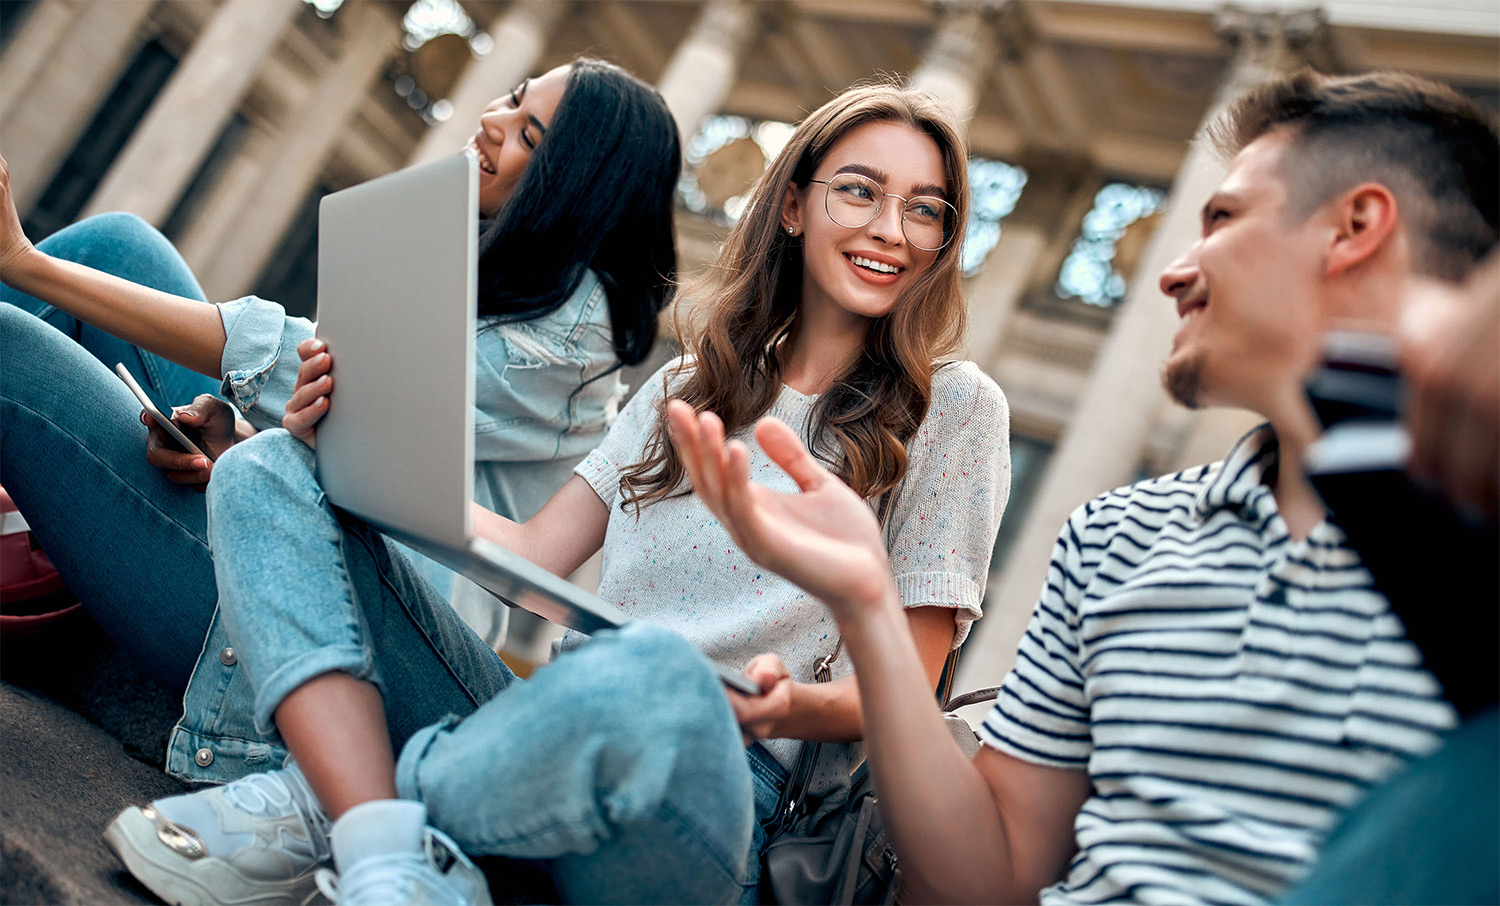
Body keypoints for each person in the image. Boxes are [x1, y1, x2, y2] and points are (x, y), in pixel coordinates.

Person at [103, 82, 1010, 905]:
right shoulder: (689, 386)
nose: (893, 229)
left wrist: (773, 705)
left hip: (723, 791)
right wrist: (337, 454)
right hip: (545, 717)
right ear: (794, 206)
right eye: (861, 190)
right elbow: (534, 557)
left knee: (659, 674)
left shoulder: (955, 409)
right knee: (270, 468)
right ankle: (386, 852)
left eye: (925, 210)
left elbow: (907, 691)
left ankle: (332, 807)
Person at [668, 68, 1498, 905]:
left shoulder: (1467, 554)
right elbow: (983, 884)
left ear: (1355, 225)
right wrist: (873, 614)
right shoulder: (1115, 536)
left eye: (1222, 219)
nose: (1172, 273)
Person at [0, 57, 682, 690]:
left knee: (25, 335)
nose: (491, 120)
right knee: (118, 245)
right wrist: (239, 439)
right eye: (511, 97)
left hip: (346, 604)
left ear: (574, 186)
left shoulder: (571, 326)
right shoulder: (522, 273)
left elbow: (333, 373)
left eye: (528, 135)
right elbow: (358, 443)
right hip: (311, 527)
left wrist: (30, 265)